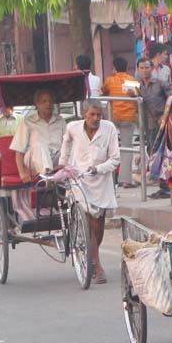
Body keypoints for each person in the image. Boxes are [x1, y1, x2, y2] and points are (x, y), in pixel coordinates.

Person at [59, 100, 120, 284]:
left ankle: (93, 255)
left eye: (99, 115)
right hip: (79, 179)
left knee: (98, 225)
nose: (96, 118)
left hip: (101, 180)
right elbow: (67, 143)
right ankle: (97, 265)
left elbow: (115, 158)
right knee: (87, 221)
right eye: (92, 114)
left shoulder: (109, 128)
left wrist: (98, 168)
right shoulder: (73, 127)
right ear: (84, 114)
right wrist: (63, 163)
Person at [136, 56, 172, 198]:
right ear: (138, 70)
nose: (144, 70)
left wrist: (165, 116)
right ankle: (161, 184)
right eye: (142, 68)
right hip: (147, 124)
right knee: (152, 153)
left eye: (147, 67)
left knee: (162, 155)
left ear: (152, 69)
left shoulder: (161, 83)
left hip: (161, 123)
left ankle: (166, 187)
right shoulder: (137, 87)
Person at [11, 89, 67, 182]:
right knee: (39, 145)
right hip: (34, 160)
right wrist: (22, 173)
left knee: (68, 148)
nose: (48, 104)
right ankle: (48, 177)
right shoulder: (28, 122)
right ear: (37, 104)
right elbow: (19, 151)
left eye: (50, 101)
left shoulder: (60, 121)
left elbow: (67, 144)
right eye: (44, 101)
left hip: (56, 160)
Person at [101, 56, 137, 188]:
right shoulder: (131, 80)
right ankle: (126, 180)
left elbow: (103, 91)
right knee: (127, 149)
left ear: (114, 68)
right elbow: (136, 96)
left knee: (110, 148)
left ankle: (109, 178)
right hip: (128, 117)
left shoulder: (110, 81)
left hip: (113, 117)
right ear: (126, 68)